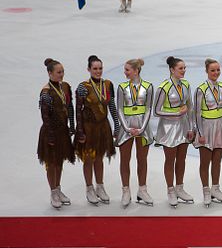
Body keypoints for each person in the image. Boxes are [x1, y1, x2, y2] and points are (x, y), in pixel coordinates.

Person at [75, 55, 119, 205]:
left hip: (103, 126)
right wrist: (79, 130)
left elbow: (112, 106)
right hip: (88, 127)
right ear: (89, 69)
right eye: (95, 69)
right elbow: (78, 111)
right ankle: (89, 188)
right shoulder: (83, 87)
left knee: (99, 157)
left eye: (100, 68)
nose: (98, 71)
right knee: (88, 158)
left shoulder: (108, 84)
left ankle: (100, 186)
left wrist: (117, 125)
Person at [154, 56, 195, 208]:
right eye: (180, 68)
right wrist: (176, 114)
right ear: (172, 70)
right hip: (168, 128)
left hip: (183, 126)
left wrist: (191, 127)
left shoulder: (186, 85)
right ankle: (170, 190)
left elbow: (189, 107)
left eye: (184, 68)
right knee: (170, 159)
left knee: (182, 159)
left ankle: (180, 187)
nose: (183, 71)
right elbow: (156, 111)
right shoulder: (163, 87)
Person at [115, 58, 154, 208]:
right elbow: (119, 109)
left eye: (127, 70)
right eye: (125, 70)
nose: (125, 72)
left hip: (143, 127)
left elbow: (149, 108)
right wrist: (126, 128)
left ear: (136, 71)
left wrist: (142, 128)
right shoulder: (122, 87)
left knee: (142, 159)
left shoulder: (148, 86)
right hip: (127, 127)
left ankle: (142, 190)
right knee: (125, 160)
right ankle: (126, 190)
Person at [38, 58, 76, 209]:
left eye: (63, 72)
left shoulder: (65, 87)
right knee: (52, 163)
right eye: (59, 72)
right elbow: (45, 116)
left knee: (59, 161)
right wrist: (50, 134)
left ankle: (58, 188)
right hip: (50, 131)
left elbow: (70, 107)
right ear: (50, 73)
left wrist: (72, 125)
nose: (62, 75)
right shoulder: (46, 92)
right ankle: (53, 191)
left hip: (63, 130)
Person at [194, 58, 222, 207]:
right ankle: (206, 190)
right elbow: (196, 113)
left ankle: (215, 188)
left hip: (220, 126)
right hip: (206, 127)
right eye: (213, 70)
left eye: (218, 70)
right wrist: (200, 133)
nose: (216, 73)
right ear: (206, 71)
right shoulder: (201, 89)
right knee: (205, 161)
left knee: (217, 160)